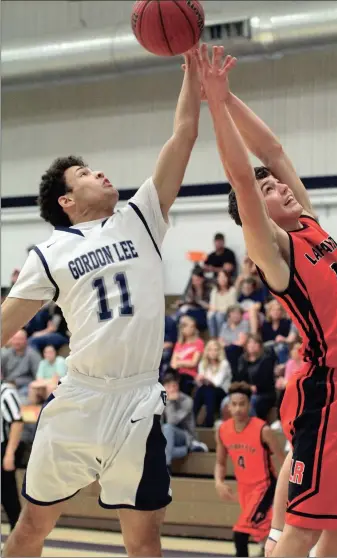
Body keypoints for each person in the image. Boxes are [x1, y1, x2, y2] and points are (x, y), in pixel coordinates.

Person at [1, 49, 201, 558]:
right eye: (86, 173)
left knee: (145, 539)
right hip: (81, 401)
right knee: (29, 529)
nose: (101, 174)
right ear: (67, 201)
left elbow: (182, 137)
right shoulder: (49, 252)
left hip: (138, 400)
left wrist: (193, 77)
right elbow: (4, 326)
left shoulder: (141, 217)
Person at [196, 43, 337, 558]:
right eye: (269, 190)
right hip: (328, 393)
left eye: (279, 185)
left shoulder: (310, 223)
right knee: (305, 528)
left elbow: (270, 153)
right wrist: (213, 105)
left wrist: (228, 98)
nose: (282, 186)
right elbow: (245, 173)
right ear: (257, 212)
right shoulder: (276, 253)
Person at [215, 383, 285, 557]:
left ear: (250, 405)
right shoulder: (223, 430)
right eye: (234, 404)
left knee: (240, 533)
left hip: (265, 488)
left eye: (242, 404)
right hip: (245, 490)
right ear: (228, 406)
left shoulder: (263, 429)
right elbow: (220, 462)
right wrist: (218, 482)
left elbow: (283, 459)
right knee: (265, 533)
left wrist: (289, 486)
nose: (238, 408)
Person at [161, 371, 206, 472]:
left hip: (185, 436)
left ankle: (166, 466)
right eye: (168, 386)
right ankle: (188, 449)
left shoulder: (187, 401)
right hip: (168, 440)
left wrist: (170, 402)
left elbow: (172, 421)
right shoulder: (160, 400)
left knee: (168, 428)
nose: (172, 389)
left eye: (174, 386)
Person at [235, 335, 277, 423]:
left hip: (264, 393)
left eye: (255, 342)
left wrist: (253, 387)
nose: (252, 345)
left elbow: (266, 381)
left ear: (260, 345)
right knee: (227, 401)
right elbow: (239, 378)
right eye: (249, 343)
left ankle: (254, 427)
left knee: (252, 401)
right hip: (246, 392)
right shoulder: (242, 359)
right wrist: (246, 387)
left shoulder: (266, 359)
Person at [1, 381, 24, 531]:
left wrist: (9, 454)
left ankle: (18, 539)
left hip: (3, 447)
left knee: (8, 497)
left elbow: (17, 422)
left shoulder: (6, 393)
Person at [194, 339, 231, 427]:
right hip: (207, 391)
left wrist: (204, 379)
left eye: (216, 350)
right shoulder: (202, 364)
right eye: (210, 350)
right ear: (207, 351)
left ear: (219, 351)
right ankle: (194, 420)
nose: (213, 352)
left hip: (222, 392)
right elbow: (201, 384)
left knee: (209, 391)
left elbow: (217, 383)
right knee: (201, 390)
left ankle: (209, 422)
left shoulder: (224, 364)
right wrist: (198, 380)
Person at [1, 330, 41, 403]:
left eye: (20, 339)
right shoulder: (6, 354)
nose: (17, 342)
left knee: (18, 399)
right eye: (15, 339)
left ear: (26, 340)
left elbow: (38, 377)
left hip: (25, 387)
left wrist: (16, 382)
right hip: (7, 385)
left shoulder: (33, 355)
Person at [170, 315, 204, 395]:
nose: (192, 329)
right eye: (189, 326)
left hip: (190, 374)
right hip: (177, 373)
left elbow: (193, 363)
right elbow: (173, 364)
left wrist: (179, 362)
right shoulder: (179, 344)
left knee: (183, 380)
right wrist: (184, 362)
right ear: (182, 329)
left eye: (193, 326)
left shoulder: (199, 342)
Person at [207, 269, 237, 338]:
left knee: (219, 316)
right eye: (220, 277)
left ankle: (221, 337)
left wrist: (218, 310)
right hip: (216, 313)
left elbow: (231, 307)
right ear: (217, 279)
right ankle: (213, 338)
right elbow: (212, 306)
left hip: (227, 313)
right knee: (211, 315)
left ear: (228, 278)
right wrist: (216, 310)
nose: (222, 279)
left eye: (224, 277)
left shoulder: (232, 290)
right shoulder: (214, 290)